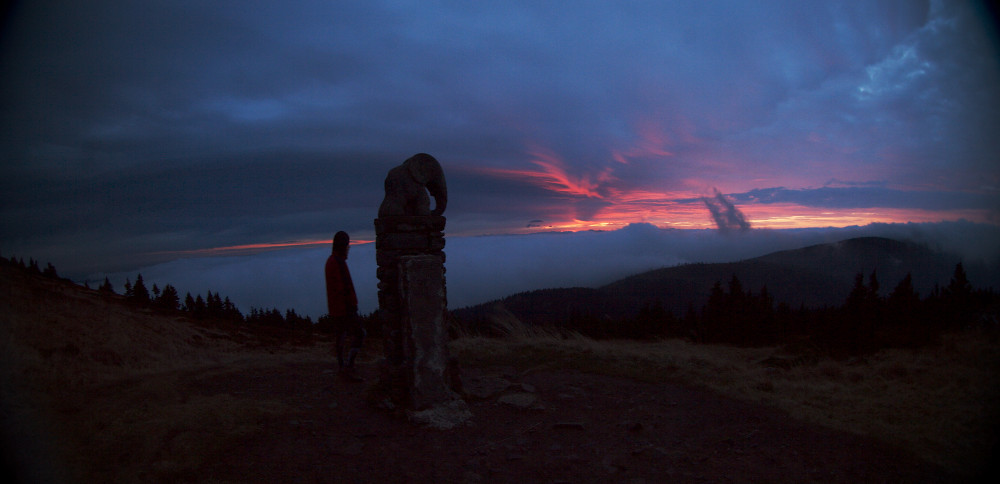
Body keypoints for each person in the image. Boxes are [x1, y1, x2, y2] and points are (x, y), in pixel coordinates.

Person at [325, 231, 365, 381]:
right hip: (344, 309)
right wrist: (351, 307)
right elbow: (343, 288)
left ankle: (343, 367)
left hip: (338, 309)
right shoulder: (338, 263)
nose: (349, 248)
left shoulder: (332, 261)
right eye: (347, 246)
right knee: (360, 333)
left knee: (341, 336)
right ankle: (347, 367)